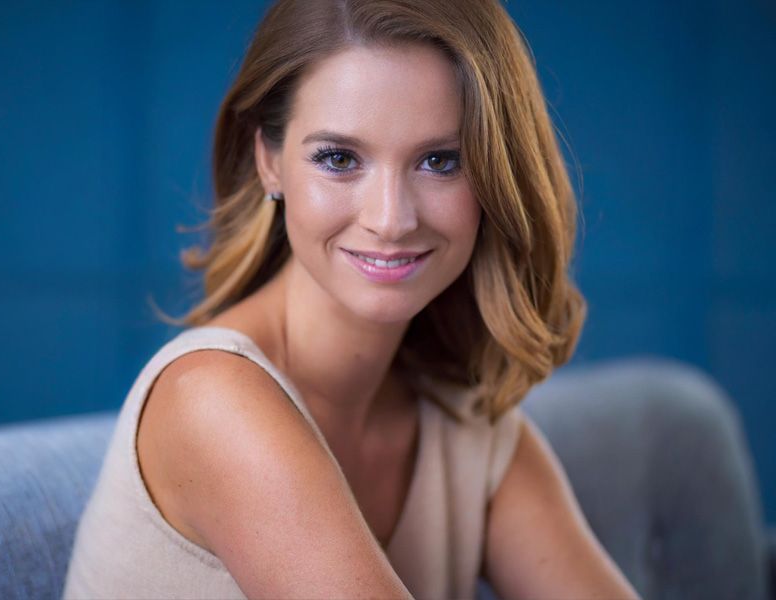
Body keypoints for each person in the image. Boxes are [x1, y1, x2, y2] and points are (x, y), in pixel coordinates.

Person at [63, 0, 641, 598]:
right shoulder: (212, 398)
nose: (390, 219)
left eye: (440, 161)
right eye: (339, 159)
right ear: (269, 162)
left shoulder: (465, 426)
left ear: (498, 175)